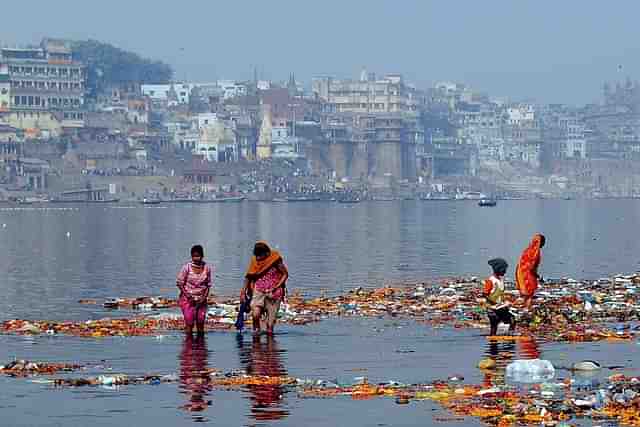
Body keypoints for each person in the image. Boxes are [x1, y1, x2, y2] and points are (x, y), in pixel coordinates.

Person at [241, 241, 288, 335]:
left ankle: (270, 347)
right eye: (256, 256)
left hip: (274, 293)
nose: (258, 258)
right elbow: (249, 276)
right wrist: (243, 292)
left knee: (270, 325)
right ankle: (256, 335)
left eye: (260, 256)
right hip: (258, 290)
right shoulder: (255, 260)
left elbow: (285, 274)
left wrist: (276, 286)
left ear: (266, 253)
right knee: (255, 314)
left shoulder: (274, 259)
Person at [177, 245, 212, 336]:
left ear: (202, 256)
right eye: (194, 256)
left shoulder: (207, 268)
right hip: (188, 299)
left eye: (198, 256)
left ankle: (200, 347)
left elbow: (208, 285)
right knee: (189, 322)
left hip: (201, 299)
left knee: (200, 322)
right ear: (191, 256)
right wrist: (188, 296)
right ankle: (189, 347)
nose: (196, 258)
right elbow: (180, 283)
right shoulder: (186, 268)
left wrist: (204, 298)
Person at [483, 258, 515, 336]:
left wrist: (504, 303)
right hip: (492, 308)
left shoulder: (500, 280)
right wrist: (495, 303)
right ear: (498, 269)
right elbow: (485, 294)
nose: (505, 271)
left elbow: (501, 294)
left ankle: (509, 336)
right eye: (503, 269)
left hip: (499, 307)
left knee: (512, 319)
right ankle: (493, 342)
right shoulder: (490, 281)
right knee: (494, 325)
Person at [516, 233, 546, 310]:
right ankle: (527, 309)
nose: (543, 244)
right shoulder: (536, 252)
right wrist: (537, 275)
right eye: (543, 242)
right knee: (529, 294)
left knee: (525, 294)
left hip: (520, 272)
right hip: (528, 274)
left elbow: (521, 262)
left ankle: (524, 308)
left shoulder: (527, 250)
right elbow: (532, 267)